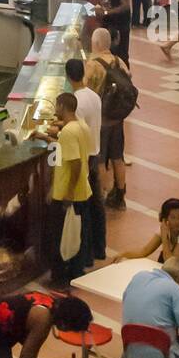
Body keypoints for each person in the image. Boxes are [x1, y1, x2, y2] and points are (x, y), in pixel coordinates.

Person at [42, 91, 92, 286]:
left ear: (62, 106)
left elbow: (75, 163)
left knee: (61, 238)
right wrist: (46, 139)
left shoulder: (69, 132)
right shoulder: (80, 127)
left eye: (57, 105)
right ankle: (75, 273)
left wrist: (68, 193)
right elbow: (67, 149)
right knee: (76, 235)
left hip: (67, 194)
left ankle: (61, 278)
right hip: (82, 191)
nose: (55, 109)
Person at [64, 56, 105, 265]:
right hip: (95, 152)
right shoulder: (94, 96)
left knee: (84, 209)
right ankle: (100, 248)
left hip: (84, 157)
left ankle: (85, 255)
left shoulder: (77, 102)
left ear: (68, 76)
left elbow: (75, 131)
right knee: (97, 206)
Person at [87, 27, 130, 211]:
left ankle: (102, 196)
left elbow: (85, 89)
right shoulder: (119, 61)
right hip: (117, 119)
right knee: (117, 157)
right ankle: (120, 195)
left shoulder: (93, 64)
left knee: (100, 160)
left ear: (96, 43)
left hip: (101, 121)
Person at [115, 198, 179, 272]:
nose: (177, 222)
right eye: (173, 217)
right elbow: (144, 251)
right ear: (165, 218)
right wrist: (123, 254)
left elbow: (170, 264)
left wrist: (164, 236)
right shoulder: (165, 228)